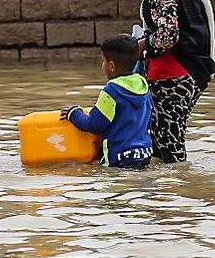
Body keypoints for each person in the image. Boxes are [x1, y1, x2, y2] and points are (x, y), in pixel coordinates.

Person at [137, 0, 215, 163]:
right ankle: (172, 194)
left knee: (168, 145)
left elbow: (168, 36)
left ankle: (176, 194)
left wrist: (137, 46)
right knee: (164, 140)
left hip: (173, 74)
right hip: (189, 71)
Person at [61, 35, 153, 169]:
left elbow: (94, 125)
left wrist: (74, 113)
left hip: (119, 159)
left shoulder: (111, 91)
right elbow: (149, 121)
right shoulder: (143, 85)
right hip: (144, 154)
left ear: (111, 65)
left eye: (103, 60)